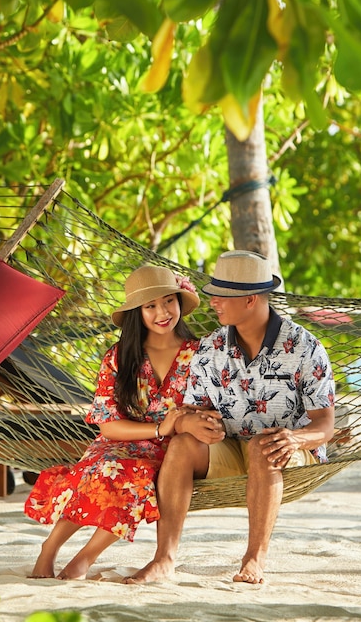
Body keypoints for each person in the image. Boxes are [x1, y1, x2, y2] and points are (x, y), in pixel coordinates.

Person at [125, 250, 335, 585]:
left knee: (262, 446)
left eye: (221, 296)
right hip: (229, 446)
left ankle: (254, 559)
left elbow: (325, 425)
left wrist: (295, 438)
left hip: (287, 451)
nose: (213, 303)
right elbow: (195, 409)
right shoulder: (210, 349)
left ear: (250, 300)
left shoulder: (304, 348)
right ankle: (164, 559)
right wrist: (198, 423)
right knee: (182, 445)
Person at [25, 264, 201, 580]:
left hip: (173, 451)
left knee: (132, 477)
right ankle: (49, 549)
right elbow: (108, 426)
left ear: (179, 301)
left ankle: (84, 558)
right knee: (103, 469)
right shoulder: (119, 356)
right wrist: (160, 427)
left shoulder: (201, 355)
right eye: (150, 306)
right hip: (119, 441)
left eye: (168, 301)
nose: (162, 313)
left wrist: (176, 428)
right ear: (137, 312)